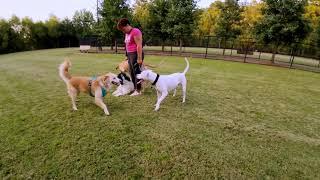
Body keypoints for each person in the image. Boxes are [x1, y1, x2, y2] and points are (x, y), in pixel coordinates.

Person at [117, 18, 144, 96]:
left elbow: (139, 45)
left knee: (137, 73)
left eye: (123, 29)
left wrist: (139, 58)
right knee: (132, 72)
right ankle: (135, 88)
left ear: (127, 25)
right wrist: (127, 56)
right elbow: (127, 45)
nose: (123, 31)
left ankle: (138, 90)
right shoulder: (127, 34)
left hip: (136, 54)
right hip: (130, 55)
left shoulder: (135, 31)